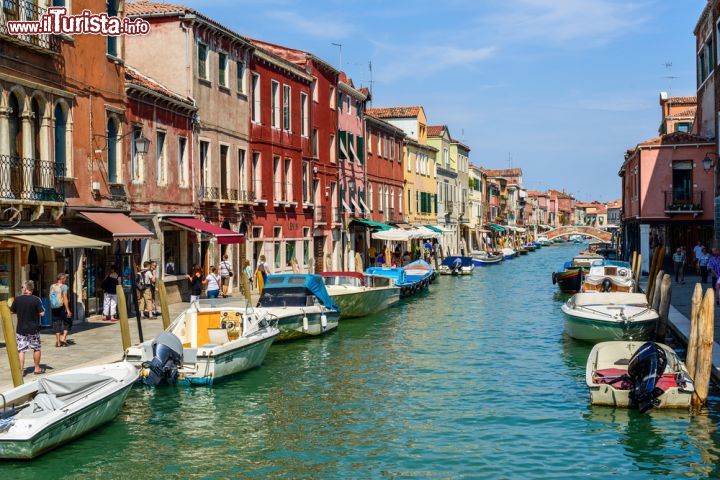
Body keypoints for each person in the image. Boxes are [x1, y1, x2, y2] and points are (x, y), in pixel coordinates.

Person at [11, 280, 45, 375]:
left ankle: (21, 371)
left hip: (21, 329)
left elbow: (12, 311)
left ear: (26, 288)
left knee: (21, 350)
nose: (22, 289)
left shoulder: (17, 299)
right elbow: (42, 313)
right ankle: (37, 368)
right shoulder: (36, 299)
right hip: (34, 329)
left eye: (22, 287)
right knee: (36, 348)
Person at [48, 273, 72, 347]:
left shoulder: (52, 286)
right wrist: (68, 310)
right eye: (65, 278)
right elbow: (65, 298)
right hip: (62, 307)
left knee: (56, 323)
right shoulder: (64, 287)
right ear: (61, 279)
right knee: (67, 322)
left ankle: (58, 342)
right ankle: (64, 339)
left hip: (54, 307)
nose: (66, 280)